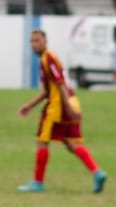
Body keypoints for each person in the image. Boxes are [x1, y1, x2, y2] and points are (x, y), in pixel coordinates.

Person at [17, 30, 107, 194]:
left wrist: (67, 107)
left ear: (45, 41)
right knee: (71, 143)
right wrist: (30, 105)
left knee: (42, 141)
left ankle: (37, 183)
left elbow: (59, 83)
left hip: (58, 106)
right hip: (68, 101)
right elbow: (47, 90)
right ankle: (97, 172)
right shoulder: (46, 60)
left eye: (37, 41)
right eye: (31, 41)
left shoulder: (48, 58)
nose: (34, 44)